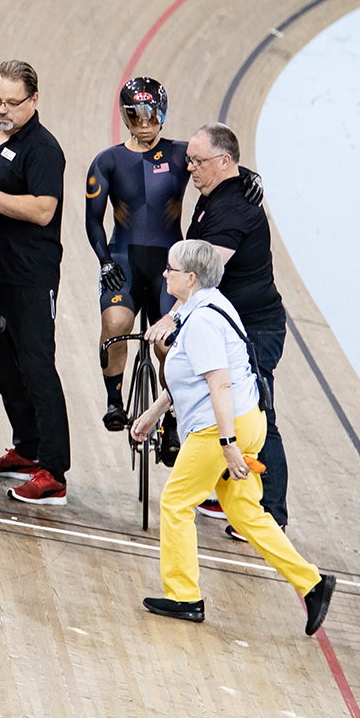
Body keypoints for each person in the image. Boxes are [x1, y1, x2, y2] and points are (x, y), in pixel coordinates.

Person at [131, 239, 335, 633]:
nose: (164, 274)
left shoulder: (202, 322)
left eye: (170, 269)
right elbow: (191, 378)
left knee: (175, 503)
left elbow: (219, 385)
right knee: (246, 512)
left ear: (190, 278)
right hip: (248, 420)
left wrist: (226, 447)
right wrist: (155, 413)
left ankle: (183, 596)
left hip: (220, 429)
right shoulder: (211, 305)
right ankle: (311, 584)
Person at [146, 123, 293, 532]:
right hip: (227, 322)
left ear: (225, 162)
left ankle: (271, 513)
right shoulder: (224, 187)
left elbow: (203, 274)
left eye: (198, 161)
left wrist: (172, 316)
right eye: (188, 159)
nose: (189, 168)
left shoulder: (233, 209)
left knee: (259, 409)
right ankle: (229, 487)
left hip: (254, 325)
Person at [0, 59, 72, 506]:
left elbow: (43, 210)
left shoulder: (43, 149)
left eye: (13, 102)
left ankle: (53, 470)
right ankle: (27, 448)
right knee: (2, 361)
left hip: (30, 274)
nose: (2, 109)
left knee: (35, 365)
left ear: (34, 100)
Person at [86, 76, 185, 433]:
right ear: (125, 118)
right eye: (136, 118)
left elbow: (218, 163)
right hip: (123, 260)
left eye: (151, 117)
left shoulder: (181, 154)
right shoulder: (108, 161)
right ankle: (115, 400)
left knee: (166, 346)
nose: (144, 126)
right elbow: (93, 221)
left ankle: (171, 418)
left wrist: (246, 179)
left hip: (168, 267)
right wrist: (105, 261)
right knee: (115, 324)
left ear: (163, 114)